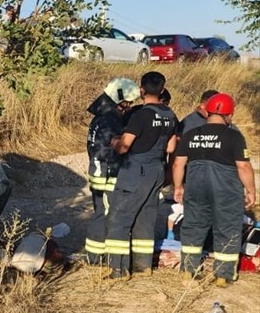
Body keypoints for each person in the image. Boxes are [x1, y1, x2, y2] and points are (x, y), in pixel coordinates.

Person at [172, 93, 255, 286]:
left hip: (195, 188)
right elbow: (243, 167)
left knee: (193, 227)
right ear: (229, 115)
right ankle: (223, 275)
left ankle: (188, 270)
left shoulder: (191, 134)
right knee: (227, 228)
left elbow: (178, 164)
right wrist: (251, 191)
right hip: (226, 190)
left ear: (207, 111)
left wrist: (178, 187)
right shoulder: (234, 136)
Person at [103, 71, 178, 279]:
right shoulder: (170, 115)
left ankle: (118, 269)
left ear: (142, 90)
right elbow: (172, 146)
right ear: (162, 90)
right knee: (145, 219)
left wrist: (113, 142)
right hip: (157, 170)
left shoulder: (140, 115)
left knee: (119, 219)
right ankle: (143, 266)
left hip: (136, 171)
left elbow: (124, 146)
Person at [84, 77, 141, 264]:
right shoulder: (110, 121)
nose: (130, 106)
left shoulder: (101, 118)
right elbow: (119, 147)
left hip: (98, 171)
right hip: (106, 174)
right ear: (119, 99)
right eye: (129, 102)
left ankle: (95, 256)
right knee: (105, 214)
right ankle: (95, 258)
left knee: (101, 211)